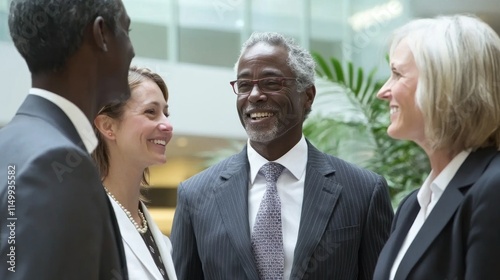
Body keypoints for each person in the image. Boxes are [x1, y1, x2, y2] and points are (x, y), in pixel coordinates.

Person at [170, 32, 394, 280]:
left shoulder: (363, 191)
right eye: (244, 85)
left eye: (271, 83)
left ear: (307, 96)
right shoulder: (195, 195)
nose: (254, 95)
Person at [0, 0, 134, 279]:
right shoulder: (55, 163)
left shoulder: (9, 144)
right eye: (127, 29)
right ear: (101, 35)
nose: (133, 50)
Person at [372, 15, 500, 280]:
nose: (383, 91)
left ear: (444, 84)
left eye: (397, 74)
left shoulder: (493, 188)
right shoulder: (413, 205)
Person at [93, 66, 177, 280]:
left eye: (166, 114)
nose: (167, 125)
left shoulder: (157, 237)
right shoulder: (81, 223)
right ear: (107, 125)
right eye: (151, 112)